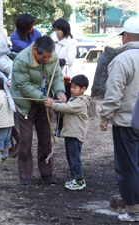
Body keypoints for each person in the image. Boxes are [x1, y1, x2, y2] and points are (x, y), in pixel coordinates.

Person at [11, 36, 66, 185]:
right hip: (26, 104)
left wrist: (60, 91)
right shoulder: (21, 60)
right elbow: (24, 86)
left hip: (44, 101)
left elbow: (57, 77)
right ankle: (25, 176)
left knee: (45, 138)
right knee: (25, 139)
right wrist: (43, 98)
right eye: (44, 57)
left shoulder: (51, 57)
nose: (47, 59)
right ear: (35, 50)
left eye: (49, 56)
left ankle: (47, 172)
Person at [100, 16, 139, 222]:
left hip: (127, 122)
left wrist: (105, 116)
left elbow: (114, 93)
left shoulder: (122, 59)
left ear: (125, 37)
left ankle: (134, 210)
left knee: (128, 166)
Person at [44, 75, 90, 190]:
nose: (71, 89)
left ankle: (79, 180)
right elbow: (65, 108)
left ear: (83, 89)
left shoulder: (81, 102)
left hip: (75, 134)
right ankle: (75, 178)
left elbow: (68, 108)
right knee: (71, 157)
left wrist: (53, 105)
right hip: (70, 133)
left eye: (75, 88)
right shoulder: (74, 99)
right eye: (72, 87)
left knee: (74, 158)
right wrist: (56, 104)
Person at [52, 18, 77, 137]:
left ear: (64, 30)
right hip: (54, 77)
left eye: (59, 30)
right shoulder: (53, 41)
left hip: (66, 78)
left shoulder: (71, 42)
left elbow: (70, 59)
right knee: (56, 104)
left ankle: (63, 128)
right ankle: (58, 127)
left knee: (64, 103)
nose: (57, 32)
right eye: (56, 30)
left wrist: (62, 61)